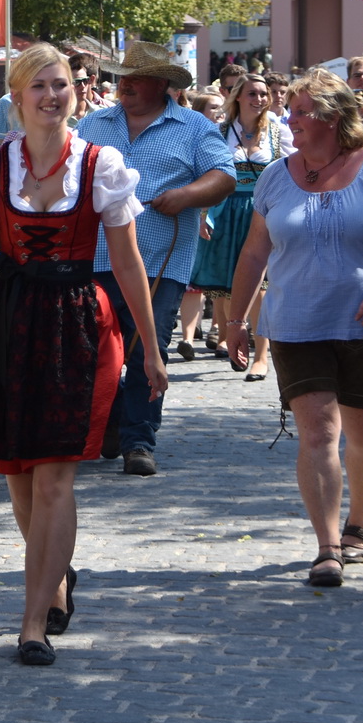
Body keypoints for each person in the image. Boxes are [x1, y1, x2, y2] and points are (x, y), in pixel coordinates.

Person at [0, 43, 166, 667]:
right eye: (39, 86)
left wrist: (152, 349)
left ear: (76, 91)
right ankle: (58, 578)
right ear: (16, 97)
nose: (51, 96)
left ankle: (32, 620)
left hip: (78, 324)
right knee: (18, 477)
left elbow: (127, 261)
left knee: (54, 479)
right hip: (10, 321)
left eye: (61, 84)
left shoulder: (101, 164)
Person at [226, 69, 363, 588]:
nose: (288, 119)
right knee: (317, 433)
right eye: (289, 110)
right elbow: (254, 253)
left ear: (332, 118)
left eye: (300, 112)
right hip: (295, 322)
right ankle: (327, 545)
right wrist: (236, 321)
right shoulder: (274, 176)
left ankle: (361, 522)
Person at [78, 41, 236, 477]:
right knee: (94, 350)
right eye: (122, 76)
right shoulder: (93, 123)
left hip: (159, 263)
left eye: (136, 78)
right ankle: (111, 418)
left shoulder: (193, 127)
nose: (124, 84)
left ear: (162, 84)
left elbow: (224, 175)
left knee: (147, 348)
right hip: (95, 258)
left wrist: (186, 195)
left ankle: (138, 441)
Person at [187, 74, 285, 381]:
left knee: (260, 286)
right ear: (238, 96)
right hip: (227, 210)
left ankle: (261, 357)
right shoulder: (220, 131)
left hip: (263, 211)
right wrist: (204, 213)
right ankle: (234, 342)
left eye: (264, 93)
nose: (260, 99)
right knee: (229, 286)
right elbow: (207, 173)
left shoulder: (277, 131)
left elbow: (289, 172)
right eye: (252, 93)